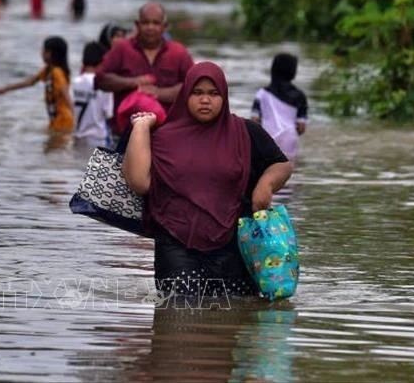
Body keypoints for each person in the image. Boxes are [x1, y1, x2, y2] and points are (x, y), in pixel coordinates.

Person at [123, 61, 292, 297]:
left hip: (233, 246)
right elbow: (139, 182)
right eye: (197, 93)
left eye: (214, 94)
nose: (205, 100)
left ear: (224, 97)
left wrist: (266, 184)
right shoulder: (162, 137)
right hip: (175, 244)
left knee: (232, 317)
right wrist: (141, 127)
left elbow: (282, 164)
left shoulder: (245, 132)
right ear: (185, 95)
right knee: (177, 317)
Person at [95, 2, 194, 134]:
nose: (150, 27)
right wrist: (133, 82)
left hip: (167, 135)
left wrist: (158, 93)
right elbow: (99, 80)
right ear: (137, 25)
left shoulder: (179, 52)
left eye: (155, 23)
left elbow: (193, 86)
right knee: (98, 154)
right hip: (123, 134)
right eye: (145, 23)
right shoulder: (122, 49)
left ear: (164, 27)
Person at [0, 37, 74, 133]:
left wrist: (76, 115)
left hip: (63, 121)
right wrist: (4, 89)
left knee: (55, 147)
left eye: (43, 50)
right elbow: (29, 82)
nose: (41, 53)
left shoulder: (56, 72)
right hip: (55, 120)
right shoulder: (48, 70)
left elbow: (65, 92)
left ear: (50, 53)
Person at [251, 53, 308, 161]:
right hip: (289, 140)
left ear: (273, 69)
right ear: (293, 72)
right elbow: (301, 127)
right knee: (287, 170)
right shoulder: (300, 96)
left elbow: (255, 121)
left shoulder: (261, 93)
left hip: (266, 138)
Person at [71, 42, 114, 147]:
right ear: (103, 62)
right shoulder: (104, 86)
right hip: (99, 140)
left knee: (77, 163)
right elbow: (109, 114)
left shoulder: (73, 83)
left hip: (77, 138)